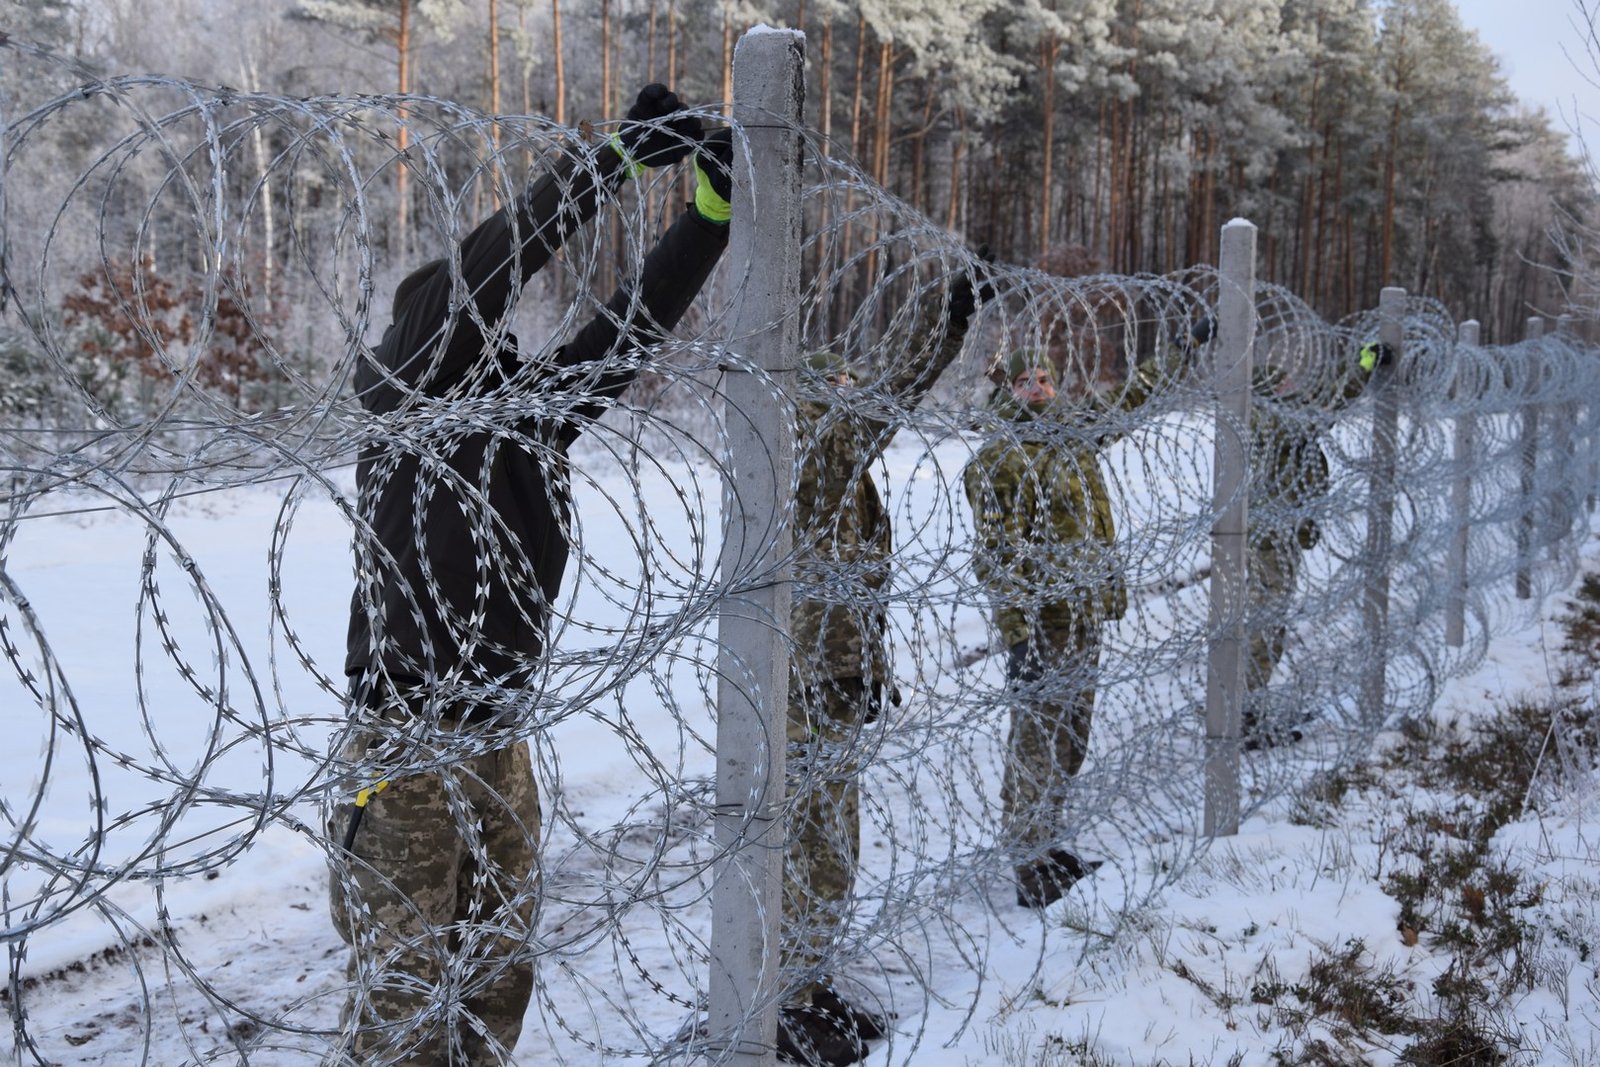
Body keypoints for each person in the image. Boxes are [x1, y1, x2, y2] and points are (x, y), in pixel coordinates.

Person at [326, 86, 734, 1066]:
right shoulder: (407, 395)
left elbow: (634, 324)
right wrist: (616, 159)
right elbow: (485, 271)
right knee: (405, 990)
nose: (497, 329)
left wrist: (712, 214)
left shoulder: (524, 410)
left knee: (495, 968)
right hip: (405, 739)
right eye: (470, 319)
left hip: (499, 732)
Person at [777, 253, 993, 1066]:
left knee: (831, 844)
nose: (847, 396)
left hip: (835, 673)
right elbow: (893, 390)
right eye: (832, 387)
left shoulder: (844, 467)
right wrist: (950, 323)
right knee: (802, 845)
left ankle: (809, 980)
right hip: (798, 674)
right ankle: (782, 1002)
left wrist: (868, 671)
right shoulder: (809, 445)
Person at [962, 325, 1199, 909]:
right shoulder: (1001, 458)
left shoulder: (1072, 435)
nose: (1038, 388)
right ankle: (1027, 861)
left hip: (1085, 612)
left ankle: (1048, 839)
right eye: (1024, 381)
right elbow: (995, 556)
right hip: (1044, 622)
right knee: (1037, 743)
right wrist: (1017, 633)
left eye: (1044, 378)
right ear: (1006, 390)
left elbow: (1132, 399)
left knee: (1071, 738)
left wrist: (1182, 349)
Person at [1241, 338, 1385, 748]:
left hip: (1278, 535)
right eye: (1282, 383)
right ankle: (1243, 713)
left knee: (1269, 623)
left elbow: (1322, 400)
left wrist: (1360, 364)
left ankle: (1247, 704)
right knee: (1263, 627)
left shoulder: (1275, 417)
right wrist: (1359, 371)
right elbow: (1321, 412)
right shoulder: (1266, 421)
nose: (1291, 387)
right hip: (1269, 539)